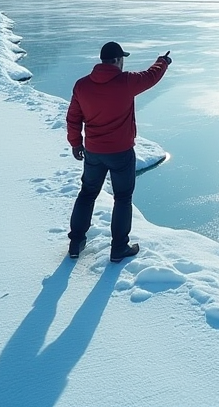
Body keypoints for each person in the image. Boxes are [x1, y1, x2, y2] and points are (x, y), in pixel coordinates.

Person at [66, 41, 172, 262]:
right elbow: (151, 76)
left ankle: (76, 243)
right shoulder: (126, 82)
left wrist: (76, 143)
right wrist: (163, 61)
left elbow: (74, 118)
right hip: (121, 153)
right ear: (116, 60)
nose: (123, 63)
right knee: (122, 198)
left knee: (87, 194)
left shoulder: (82, 85)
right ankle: (119, 249)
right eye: (122, 59)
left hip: (93, 152)